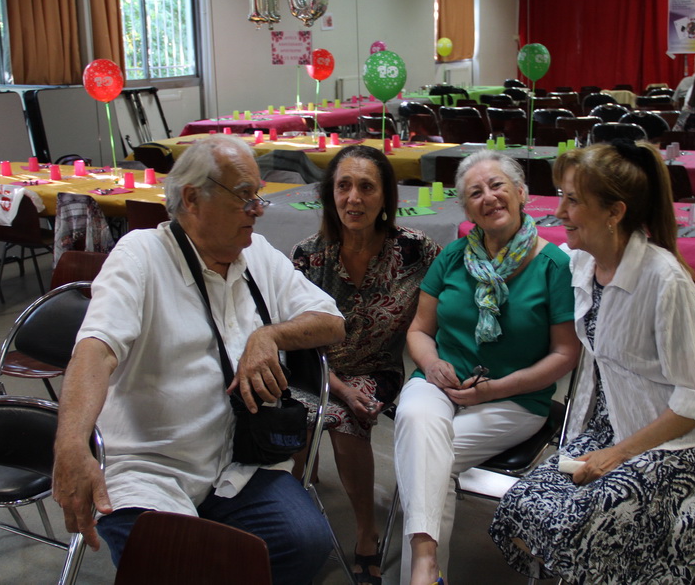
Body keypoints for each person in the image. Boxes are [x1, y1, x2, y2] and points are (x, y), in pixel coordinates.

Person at [52, 135, 346, 584]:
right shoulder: (141, 255)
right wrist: (72, 444)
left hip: (238, 463)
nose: (258, 210)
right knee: (174, 562)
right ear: (191, 198)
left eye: (258, 195)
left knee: (305, 543)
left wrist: (270, 334)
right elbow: (96, 350)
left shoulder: (257, 254)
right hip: (150, 471)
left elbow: (332, 321)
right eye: (244, 195)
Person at [490, 141, 695, 584]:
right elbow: (527, 256)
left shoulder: (665, 282)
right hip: (614, 426)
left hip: (675, 445)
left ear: (614, 212)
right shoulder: (585, 263)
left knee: (583, 526)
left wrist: (617, 455)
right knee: (519, 507)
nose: (559, 212)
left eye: (573, 200)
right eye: (562, 197)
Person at [395, 150, 580, 585]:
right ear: (466, 209)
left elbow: (564, 355)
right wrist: (432, 363)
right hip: (440, 383)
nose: (489, 197)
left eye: (497, 185)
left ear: (522, 193)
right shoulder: (452, 257)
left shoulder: (554, 266)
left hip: (514, 400)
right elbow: (419, 331)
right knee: (416, 420)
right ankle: (426, 570)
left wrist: (493, 390)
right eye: (475, 193)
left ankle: (420, 572)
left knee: (424, 458)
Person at [291, 145, 440, 584]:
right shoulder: (308, 255)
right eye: (343, 186)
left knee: (344, 419)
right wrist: (337, 385)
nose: (353, 198)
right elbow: (292, 339)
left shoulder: (416, 251)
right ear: (330, 195)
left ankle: (365, 531)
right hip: (315, 370)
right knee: (299, 411)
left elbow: (445, 306)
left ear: (385, 197)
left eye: (366, 187)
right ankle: (296, 496)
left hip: (378, 368)